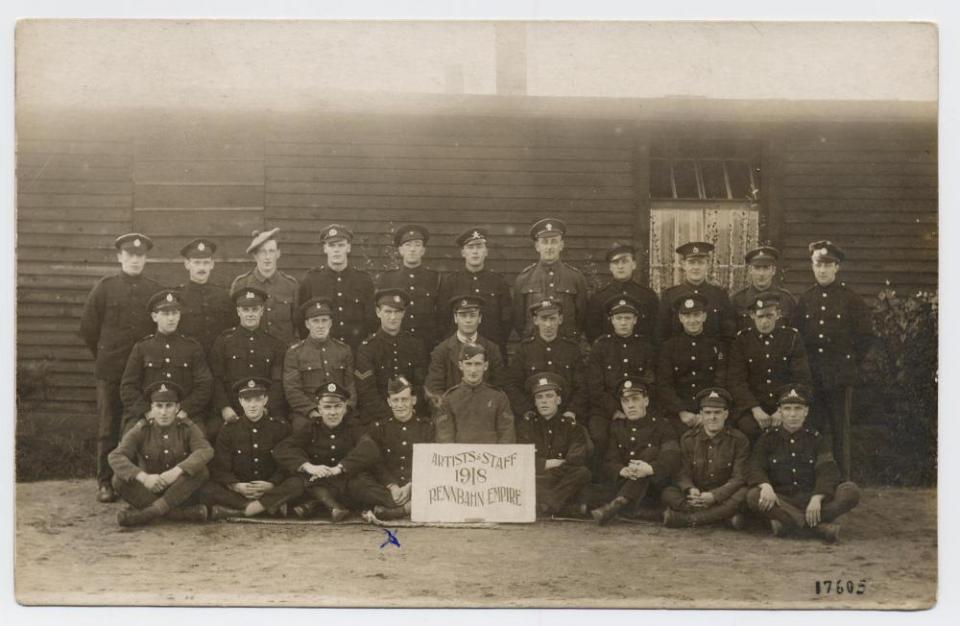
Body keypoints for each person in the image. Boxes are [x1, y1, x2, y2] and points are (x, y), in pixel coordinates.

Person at [80, 232, 163, 502]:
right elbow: (88, 329)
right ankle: (105, 482)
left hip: (143, 374)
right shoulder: (105, 287)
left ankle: (131, 480)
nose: (135, 260)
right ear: (120, 257)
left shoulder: (154, 290)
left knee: (139, 426)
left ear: (146, 259)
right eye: (130, 255)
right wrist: (104, 356)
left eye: (140, 256)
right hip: (111, 372)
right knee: (108, 427)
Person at [791, 240, 873, 480]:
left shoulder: (851, 299)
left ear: (837, 267)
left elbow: (864, 338)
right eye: (818, 264)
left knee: (840, 431)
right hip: (812, 378)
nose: (823, 270)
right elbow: (797, 339)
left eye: (828, 265)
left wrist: (848, 365)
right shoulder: (805, 300)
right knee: (810, 429)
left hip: (839, 378)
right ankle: (810, 480)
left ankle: (843, 481)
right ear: (812, 266)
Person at [746, 384, 861, 543]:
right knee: (753, 496)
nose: (792, 414)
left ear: (806, 412)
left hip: (812, 499)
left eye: (798, 409)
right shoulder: (768, 439)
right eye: (787, 409)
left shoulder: (816, 438)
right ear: (780, 412)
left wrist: (817, 498)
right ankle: (818, 528)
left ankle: (788, 525)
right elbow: (755, 466)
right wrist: (765, 485)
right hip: (783, 500)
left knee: (850, 491)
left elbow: (828, 470)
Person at [271, 382, 391, 521]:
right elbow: (282, 449)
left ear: (345, 408)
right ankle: (330, 506)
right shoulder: (310, 428)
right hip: (319, 482)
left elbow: (370, 448)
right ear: (319, 409)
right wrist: (309, 467)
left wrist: (340, 468)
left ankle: (323, 505)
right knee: (305, 483)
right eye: (327, 407)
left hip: (348, 482)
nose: (333, 412)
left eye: (338, 406)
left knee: (364, 487)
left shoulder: (353, 427)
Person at [108, 381, 213, 527]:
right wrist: (144, 478)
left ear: (177, 408)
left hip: (178, 490)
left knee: (201, 471)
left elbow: (205, 450)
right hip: (149, 490)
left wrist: (177, 471)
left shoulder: (187, 427)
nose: (163, 412)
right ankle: (180, 514)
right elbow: (115, 456)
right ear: (151, 408)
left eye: (169, 406)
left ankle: (147, 514)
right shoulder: (141, 429)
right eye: (159, 406)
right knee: (118, 479)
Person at [200, 378, 297, 520]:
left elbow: (286, 465)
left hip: (270, 489)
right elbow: (220, 467)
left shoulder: (280, 428)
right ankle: (265, 507)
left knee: (297, 483)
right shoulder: (228, 430)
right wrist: (236, 486)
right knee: (206, 488)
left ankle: (246, 510)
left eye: (257, 400)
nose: (252, 405)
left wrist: (272, 484)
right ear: (240, 401)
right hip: (240, 491)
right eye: (247, 400)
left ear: (265, 400)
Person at [118, 289, 212, 435]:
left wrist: (184, 409)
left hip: (184, 414)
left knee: (200, 439)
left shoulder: (192, 347)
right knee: (130, 437)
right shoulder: (142, 348)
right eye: (165, 314)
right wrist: (147, 411)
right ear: (154, 317)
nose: (171, 318)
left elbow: (204, 385)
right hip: (149, 414)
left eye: (175, 313)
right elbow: (128, 386)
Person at [343, 375, 435, 520]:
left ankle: (394, 511)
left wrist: (411, 485)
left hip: (416, 484)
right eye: (395, 400)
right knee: (357, 482)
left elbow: (430, 462)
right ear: (389, 402)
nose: (400, 405)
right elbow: (376, 463)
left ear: (414, 401)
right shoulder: (379, 428)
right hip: (388, 487)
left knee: (436, 484)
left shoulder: (427, 427)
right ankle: (406, 507)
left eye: (404, 400)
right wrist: (392, 486)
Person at [590, 378, 681, 525]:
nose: (630, 405)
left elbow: (673, 456)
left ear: (646, 401)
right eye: (625, 401)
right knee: (589, 493)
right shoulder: (616, 427)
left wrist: (650, 469)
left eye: (635, 399)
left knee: (650, 453)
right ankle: (629, 508)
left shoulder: (662, 425)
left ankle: (618, 504)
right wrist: (622, 470)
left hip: (653, 484)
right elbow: (609, 461)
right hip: (626, 483)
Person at [727, 292, 812, 442]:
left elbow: (801, 377)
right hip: (754, 407)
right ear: (752, 315)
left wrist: (782, 409)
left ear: (778, 315)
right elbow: (736, 381)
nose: (765, 322)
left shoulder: (791, 338)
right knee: (748, 428)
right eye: (760, 316)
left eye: (769, 316)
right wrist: (755, 409)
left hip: (786, 404)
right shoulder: (742, 340)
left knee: (789, 429)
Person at [661, 387, 750, 529]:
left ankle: (690, 519)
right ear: (701, 415)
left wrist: (714, 496)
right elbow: (682, 471)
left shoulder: (738, 440)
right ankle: (722, 517)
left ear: (725, 414)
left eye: (717, 413)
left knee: (744, 493)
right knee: (668, 492)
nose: (712, 417)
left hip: (723, 495)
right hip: (698, 493)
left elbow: (739, 477)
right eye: (708, 413)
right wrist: (690, 489)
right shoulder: (688, 438)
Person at [208, 287, 288, 440]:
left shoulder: (275, 344)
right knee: (213, 432)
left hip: (264, 408)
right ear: (238, 311)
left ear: (262, 311)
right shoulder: (224, 342)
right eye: (245, 309)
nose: (250, 314)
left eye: (254, 309)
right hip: (233, 408)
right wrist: (225, 408)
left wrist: (266, 408)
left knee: (282, 431)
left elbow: (278, 382)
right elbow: (215, 379)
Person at [586, 295, 657, 461]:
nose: (623, 322)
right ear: (611, 320)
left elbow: (651, 381)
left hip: (638, 408)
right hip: (605, 409)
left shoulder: (646, 347)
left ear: (635, 320)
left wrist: (635, 407)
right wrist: (615, 410)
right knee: (599, 436)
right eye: (619, 318)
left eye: (627, 318)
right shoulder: (601, 347)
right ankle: (600, 481)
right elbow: (595, 386)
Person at [517, 373, 591, 518]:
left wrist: (553, 468)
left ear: (559, 400)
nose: (544, 401)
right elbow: (520, 458)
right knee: (520, 476)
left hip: (561, 478)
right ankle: (556, 505)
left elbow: (577, 457)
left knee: (582, 473)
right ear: (535, 402)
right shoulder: (526, 426)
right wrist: (547, 463)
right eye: (539, 397)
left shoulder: (571, 426)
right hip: (539, 476)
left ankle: (546, 504)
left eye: (549, 396)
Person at [504, 298, 588, 424]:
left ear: (560, 319)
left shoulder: (572, 349)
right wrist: (527, 410)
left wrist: (572, 411)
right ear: (535, 320)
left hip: (565, 415)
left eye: (552, 318)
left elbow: (582, 386)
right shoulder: (524, 349)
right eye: (543, 319)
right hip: (532, 416)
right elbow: (512, 385)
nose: (548, 324)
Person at [436, 227, 514, 357]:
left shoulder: (498, 281)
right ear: (463, 252)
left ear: (486, 251)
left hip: (491, 349)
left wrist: (495, 343)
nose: (475, 252)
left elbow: (506, 319)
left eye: (479, 247)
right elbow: (442, 318)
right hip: (459, 351)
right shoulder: (451, 282)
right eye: (470, 247)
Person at [354, 289, 428, 424]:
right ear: (378, 312)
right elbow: (367, 392)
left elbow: (420, 384)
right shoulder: (367, 348)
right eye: (388, 311)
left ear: (403, 313)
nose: (393, 317)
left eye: (397, 312)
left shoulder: (415, 345)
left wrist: (408, 411)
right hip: (378, 418)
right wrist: (390, 415)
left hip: (412, 415)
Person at [297, 224, 376, 350]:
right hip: (322, 353)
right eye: (332, 245)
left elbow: (372, 320)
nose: (336, 250)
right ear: (325, 248)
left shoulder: (363, 280)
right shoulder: (312, 279)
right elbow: (301, 320)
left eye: (341, 245)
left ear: (348, 247)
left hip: (356, 349)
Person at [655, 294, 727, 430]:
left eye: (696, 315)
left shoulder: (717, 346)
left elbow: (720, 381)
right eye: (687, 316)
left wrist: (707, 412)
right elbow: (664, 384)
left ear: (704, 316)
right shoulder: (669, 347)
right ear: (680, 318)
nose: (692, 320)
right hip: (678, 413)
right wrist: (681, 411)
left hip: (711, 411)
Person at [424, 295, 505, 410]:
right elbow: (434, 389)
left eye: (473, 315)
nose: (468, 320)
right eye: (463, 315)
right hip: (451, 413)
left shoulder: (491, 349)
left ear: (480, 318)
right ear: (455, 318)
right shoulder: (441, 351)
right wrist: (447, 413)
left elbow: (499, 388)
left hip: (484, 413)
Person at [513, 217, 589, 340]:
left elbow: (582, 317)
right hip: (534, 345)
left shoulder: (575, 278)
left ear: (561, 245)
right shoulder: (524, 279)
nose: (549, 247)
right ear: (537, 246)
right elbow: (518, 320)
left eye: (554, 241)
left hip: (566, 345)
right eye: (545, 242)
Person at [283, 297, 357, 419]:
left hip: (340, 411)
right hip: (309, 413)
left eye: (324, 320)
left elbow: (350, 385)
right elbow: (292, 390)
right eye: (315, 321)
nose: (320, 325)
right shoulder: (295, 353)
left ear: (331, 323)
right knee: (301, 430)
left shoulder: (344, 350)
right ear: (307, 324)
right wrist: (312, 411)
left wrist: (346, 408)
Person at [231, 227, 300, 346]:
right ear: (255, 255)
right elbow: (233, 322)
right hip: (252, 352)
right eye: (262, 252)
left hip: (283, 352)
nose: (267, 257)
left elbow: (298, 324)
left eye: (271, 251)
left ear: (278, 253)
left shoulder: (290, 285)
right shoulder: (241, 284)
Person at [377, 224, 441, 351]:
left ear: (423, 250)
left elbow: (441, 315)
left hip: (427, 343)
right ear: (400, 250)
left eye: (417, 245)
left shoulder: (435, 279)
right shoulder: (388, 279)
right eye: (408, 245)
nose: (412, 249)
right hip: (397, 343)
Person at [657, 241, 736, 344]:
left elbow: (728, 334)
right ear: (683, 265)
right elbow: (661, 333)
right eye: (691, 262)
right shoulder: (670, 295)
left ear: (707, 264)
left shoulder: (720, 295)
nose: (696, 267)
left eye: (700, 262)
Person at [435, 344, 515, 444]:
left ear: (485, 366)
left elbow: (506, 435)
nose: (473, 370)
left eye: (478, 364)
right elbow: (445, 437)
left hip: (491, 457)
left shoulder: (498, 397)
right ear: (460, 365)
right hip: (460, 457)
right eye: (468, 364)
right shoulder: (449, 399)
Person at [586, 242, 659, 344]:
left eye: (625, 261)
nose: (620, 266)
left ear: (633, 265)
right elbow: (593, 334)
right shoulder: (599, 298)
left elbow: (656, 331)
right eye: (615, 262)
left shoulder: (647, 296)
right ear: (610, 267)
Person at [175, 238, 235, 356]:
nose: (201, 268)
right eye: (197, 262)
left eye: (206, 263)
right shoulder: (178, 296)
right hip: (188, 360)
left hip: (218, 361)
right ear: (187, 264)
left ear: (212, 264)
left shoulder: (223, 296)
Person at [731, 246, 796, 332]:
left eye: (766, 268)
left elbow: (794, 336)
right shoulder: (737, 300)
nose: (761, 274)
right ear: (750, 270)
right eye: (757, 268)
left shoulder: (786, 299)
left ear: (773, 271)